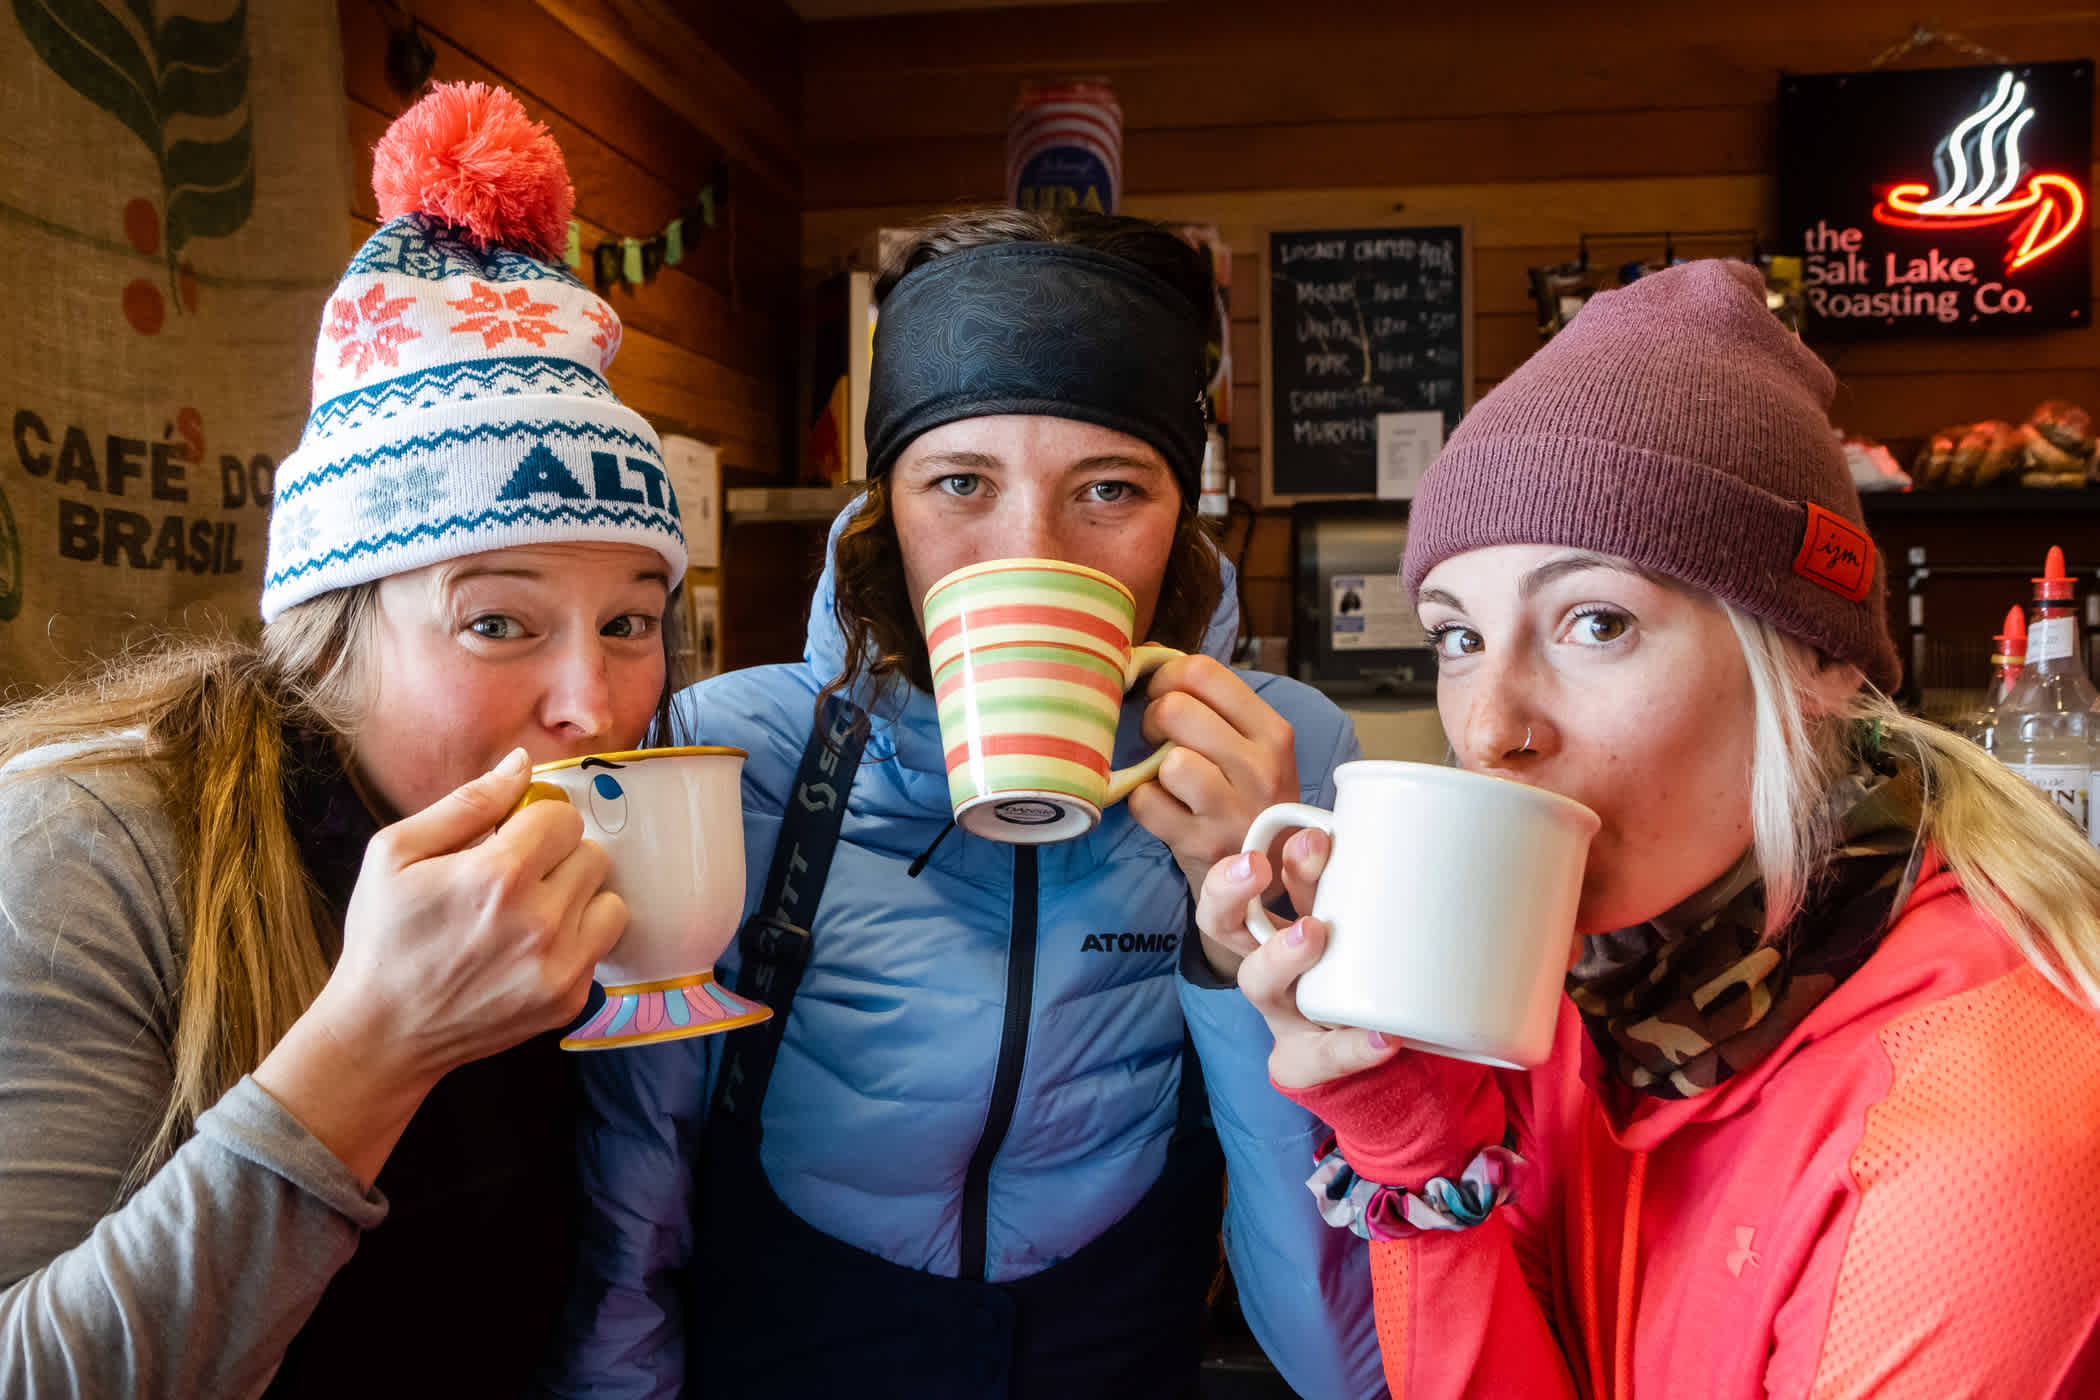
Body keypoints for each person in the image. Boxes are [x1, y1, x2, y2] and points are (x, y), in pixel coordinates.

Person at [1195, 259, 2100, 1397]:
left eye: (1597, 621)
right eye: (1458, 637)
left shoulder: (1973, 1128)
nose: (1490, 732)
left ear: (1815, 659)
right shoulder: (1598, 994)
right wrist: (1412, 1144)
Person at [548, 208, 1387, 1398]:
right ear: (884, 507)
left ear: (1183, 514)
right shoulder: (729, 748)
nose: (1027, 551)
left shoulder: (1285, 756)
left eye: (1110, 488)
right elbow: (633, 1193)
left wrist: (1242, 924)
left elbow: (1341, 1359)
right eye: (960, 482)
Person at [0, 84, 693, 1398]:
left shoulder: (596, 850)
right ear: (327, 636)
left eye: (629, 622)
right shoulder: (87, 847)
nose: (592, 705)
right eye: (498, 621)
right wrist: (379, 1040)